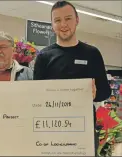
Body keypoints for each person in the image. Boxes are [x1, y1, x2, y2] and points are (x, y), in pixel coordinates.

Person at [33, 1, 111, 156]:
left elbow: (106, 92)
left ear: (77, 20)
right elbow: (36, 95)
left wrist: (95, 94)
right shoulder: (43, 56)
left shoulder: (92, 53)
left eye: (68, 18)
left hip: (84, 128)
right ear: (52, 24)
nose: (63, 24)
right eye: (57, 20)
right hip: (51, 129)